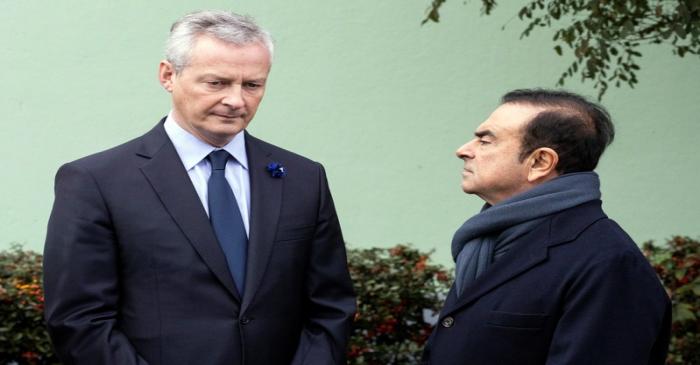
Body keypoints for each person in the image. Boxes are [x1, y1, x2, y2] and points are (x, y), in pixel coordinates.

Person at [43, 10, 355, 365]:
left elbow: (331, 307)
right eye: (217, 83)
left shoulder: (303, 178)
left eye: (252, 85)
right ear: (168, 75)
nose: (236, 100)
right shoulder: (96, 181)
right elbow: (80, 321)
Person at [422, 89, 670, 365]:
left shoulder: (608, 263)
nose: (463, 150)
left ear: (540, 162)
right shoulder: (489, 243)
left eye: (485, 140)